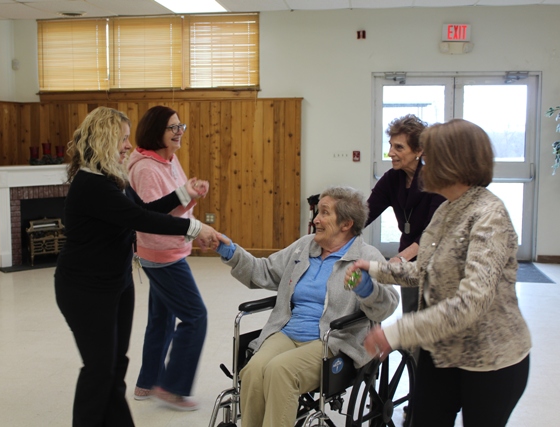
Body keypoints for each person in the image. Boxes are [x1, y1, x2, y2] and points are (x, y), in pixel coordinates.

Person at [347, 119, 531, 427]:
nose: (423, 165)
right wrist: (378, 269)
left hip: (490, 359)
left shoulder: (489, 216)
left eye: (429, 157)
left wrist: (395, 333)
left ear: (452, 163)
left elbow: (470, 303)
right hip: (443, 350)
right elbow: (427, 268)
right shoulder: (448, 208)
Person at [54, 106, 218, 427]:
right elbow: (142, 219)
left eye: (129, 139)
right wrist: (196, 229)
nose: (128, 146)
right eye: (123, 139)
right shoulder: (92, 185)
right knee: (99, 368)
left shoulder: (113, 180)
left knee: (115, 365)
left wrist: (185, 194)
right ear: (104, 140)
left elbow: (147, 208)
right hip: (85, 290)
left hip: (117, 283)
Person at [215, 186, 399, 427]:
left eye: (324, 213)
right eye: (317, 213)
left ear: (346, 224)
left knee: (280, 372)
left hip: (332, 341)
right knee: (253, 371)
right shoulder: (305, 247)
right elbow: (266, 271)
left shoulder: (367, 256)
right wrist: (230, 251)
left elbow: (388, 305)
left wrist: (367, 290)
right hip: (288, 331)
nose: (315, 220)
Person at [127, 106, 207, 411]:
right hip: (161, 254)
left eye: (180, 126)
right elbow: (150, 215)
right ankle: (173, 388)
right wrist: (184, 195)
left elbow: (173, 204)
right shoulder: (146, 168)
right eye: (172, 127)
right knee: (195, 316)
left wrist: (191, 195)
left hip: (167, 249)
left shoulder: (170, 160)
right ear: (155, 131)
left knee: (161, 320)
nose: (179, 132)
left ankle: (147, 384)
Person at [365, 114, 445, 313]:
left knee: (431, 319)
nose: (391, 153)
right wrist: (339, 230)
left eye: (399, 147)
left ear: (419, 150)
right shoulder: (392, 178)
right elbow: (365, 213)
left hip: (436, 257)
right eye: (391, 145)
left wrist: (401, 259)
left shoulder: (437, 180)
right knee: (410, 312)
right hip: (408, 255)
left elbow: (432, 233)